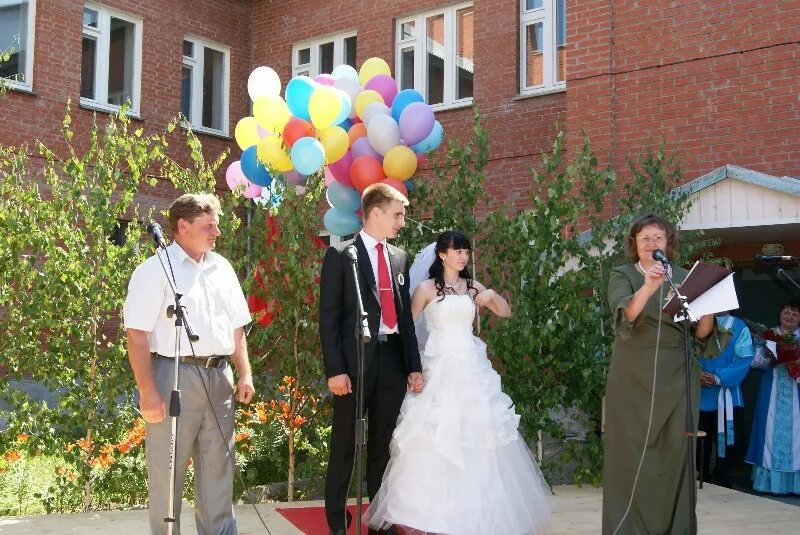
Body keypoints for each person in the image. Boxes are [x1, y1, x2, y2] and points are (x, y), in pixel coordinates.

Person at [365, 230, 553, 535]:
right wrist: (411, 367)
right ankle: (434, 513)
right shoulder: (426, 288)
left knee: (479, 436)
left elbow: (505, 313)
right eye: (457, 251)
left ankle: (478, 513)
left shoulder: (472, 286)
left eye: (466, 251)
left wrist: (492, 296)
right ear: (442, 254)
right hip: (439, 365)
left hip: (471, 367)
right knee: (434, 436)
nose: (463, 256)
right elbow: (407, 330)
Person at [124, 193, 255, 535]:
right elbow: (136, 334)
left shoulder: (222, 267)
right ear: (182, 226)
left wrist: (245, 373)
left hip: (220, 377)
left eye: (217, 224)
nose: (216, 232)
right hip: (174, 375)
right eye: (208, 225)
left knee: (218, 470)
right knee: (168, 472)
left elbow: (236, 326)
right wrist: (147, 393)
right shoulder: (154, 270)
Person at [603, 212, 726, 535]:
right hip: (632, 376)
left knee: (676, 457)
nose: (651, 244)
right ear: (635, 244)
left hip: (677, 375)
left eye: (658, 237)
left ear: (668, 243)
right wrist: (648, 286)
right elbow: (625, 316)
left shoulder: (686, 276)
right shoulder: (623, 274)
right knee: (632, 455)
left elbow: (702, 335)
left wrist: (710, 305)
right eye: (645, 239)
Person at [319, 183, 423, 535]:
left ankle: (379, 521)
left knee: (382, 443)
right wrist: (335, 370)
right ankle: (337, 523)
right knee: (345, 446)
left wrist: (413, 365)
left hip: (391, 360)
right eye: (397, 215)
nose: (401, 222)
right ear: (375, 213)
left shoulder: (399, 258)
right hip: (354, 364)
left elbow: (405, 318)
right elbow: (329, 316)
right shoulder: (340, 255)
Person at [745, 300, 800, 495]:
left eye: (795, 314)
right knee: (769, 434)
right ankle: (768, 483)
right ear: (780, 315)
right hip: (772, 393)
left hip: (796, 393)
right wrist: (768, 354)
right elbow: (755, 363)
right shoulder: (769, 335)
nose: (790, 316)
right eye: (787, 312)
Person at [696, 311, 753, 488]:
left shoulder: (739, 326)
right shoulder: (695, 321)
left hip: (729, 398)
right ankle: (699, 480)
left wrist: (719, 377)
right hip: (699, 396)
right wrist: (695, 373)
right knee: (698, 444)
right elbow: (685, 352)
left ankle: (722, 485)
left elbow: (745, 359)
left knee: (727, 447)